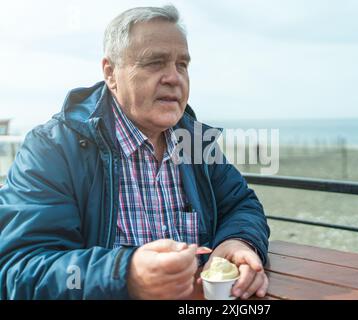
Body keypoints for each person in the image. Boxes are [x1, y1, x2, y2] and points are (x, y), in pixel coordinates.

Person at [0, 5, 270, 300]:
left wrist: (238, 241)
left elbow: (241, 204)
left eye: (182, 64)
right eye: (155, 62)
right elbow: (19, 270)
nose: (174, 78)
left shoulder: (195, 142)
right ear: (111, 73)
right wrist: (125, 276)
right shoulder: (54, 148)